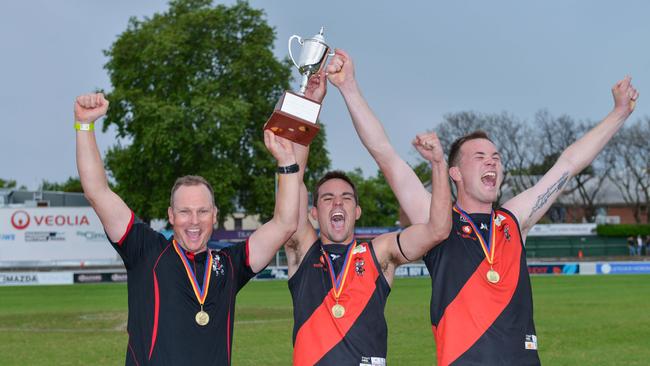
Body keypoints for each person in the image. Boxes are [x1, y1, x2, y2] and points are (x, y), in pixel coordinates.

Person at [332, 50, 639, 365]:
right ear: (456, 174)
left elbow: (569, 164)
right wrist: (350, 87)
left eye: (496, 157)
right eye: (479, 157)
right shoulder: (438, 221)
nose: (491, 161)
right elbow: (386, 156)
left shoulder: (513, 220)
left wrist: (618, 114)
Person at [74, 93, 300, 365]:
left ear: (215, 215)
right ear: (171, 215)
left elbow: (285, 223)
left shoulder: (229, 265)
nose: (194, 221)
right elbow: (97, 192)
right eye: (185, 212)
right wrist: (84, 126)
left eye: (203, 211)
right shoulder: (145, 250)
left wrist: (287, 163)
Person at [284, 60, 452, 365]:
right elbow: (291, 177)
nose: (337, 204)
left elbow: (438, 229)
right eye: (328, 199)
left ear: (357, 211)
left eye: (346, 198)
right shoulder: (301, 249)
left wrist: (439, 166)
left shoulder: (380, 253)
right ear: (313, 212)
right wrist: (311, 105)